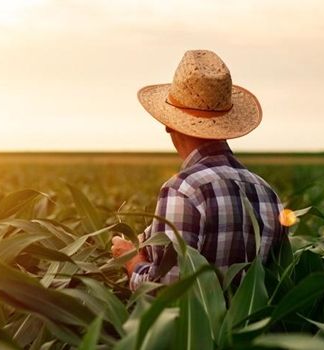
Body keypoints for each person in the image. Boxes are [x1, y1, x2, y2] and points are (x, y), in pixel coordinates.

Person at [112, 50, 286, 290]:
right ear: (227, 126)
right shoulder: (268, 193)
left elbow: (164, 292)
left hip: (193, 329)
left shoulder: (183, 189)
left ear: (168, 125)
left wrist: (132, 259)